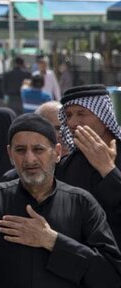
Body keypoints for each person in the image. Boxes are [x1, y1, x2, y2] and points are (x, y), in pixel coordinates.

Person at [0, 113, 121, 288]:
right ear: (10, 155)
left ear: (57, 153)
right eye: (20, 150)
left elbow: (109, 278)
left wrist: (52, 241)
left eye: (38, 150)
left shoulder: (81, 203)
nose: (29, 159)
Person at [55, 85, 121, 248]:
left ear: (103, 116)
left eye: (81, 113)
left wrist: (108, 170)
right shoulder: (67, 164)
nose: (72, 122)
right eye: (68, 115)